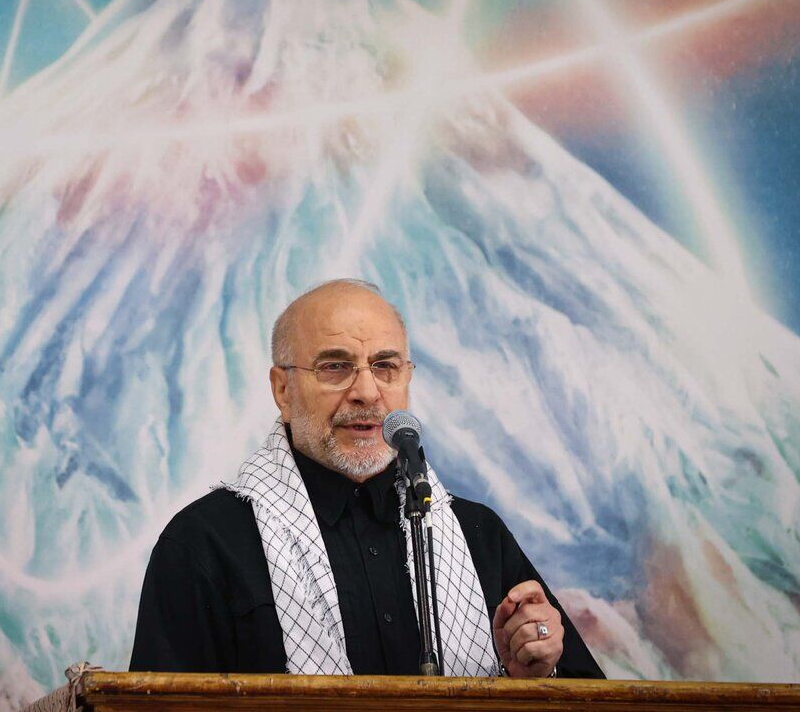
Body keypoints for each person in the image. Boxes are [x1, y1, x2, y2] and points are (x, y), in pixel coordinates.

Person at [130, 279, 604, 678]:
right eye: (335, 367)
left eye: (385, 366)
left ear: (406, 379)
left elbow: (588, 701)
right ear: (282, 389)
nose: (366, 392)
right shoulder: (205, 543)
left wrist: (533, 675)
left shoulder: (479, 535)